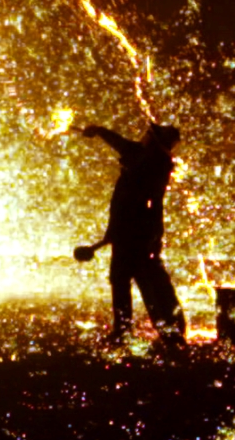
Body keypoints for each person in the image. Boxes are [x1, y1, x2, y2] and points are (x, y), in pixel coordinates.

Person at [74, 121, 186, 344]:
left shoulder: (152, 162)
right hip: (129, 229)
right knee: (124, 279)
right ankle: (145, 330)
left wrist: (153, 235)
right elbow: (119, 142)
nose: (143, 136)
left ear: (153, 141)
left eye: (148, 134)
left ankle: (159, 331)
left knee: (140, 281)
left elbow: (154, 203)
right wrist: (98, 130)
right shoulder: (148, 157)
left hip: (136, 231)